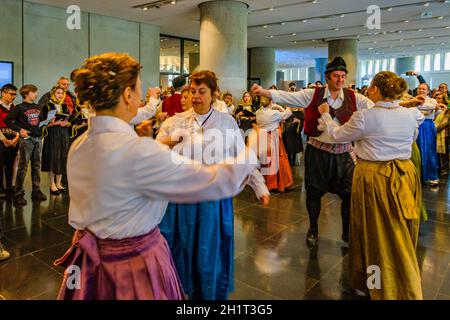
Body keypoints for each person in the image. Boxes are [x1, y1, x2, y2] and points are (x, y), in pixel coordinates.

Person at [54, 53, 261, 300]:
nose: (141, 98)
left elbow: (121, 180)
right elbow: (218, 181)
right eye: (140, 91)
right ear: (128, 96)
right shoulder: (138, 150)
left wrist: (155, 144)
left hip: (91, 263)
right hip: (131, 266)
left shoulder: (80, 143)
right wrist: (253, 150)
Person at [156, 70, 269, 300]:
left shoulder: (226, 122)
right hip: (180, 198)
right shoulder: (174, 121)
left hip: (213, 199)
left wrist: (260, 187)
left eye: (202, 91)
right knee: (180, 250)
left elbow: (241, 157)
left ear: (214, 94)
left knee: (209, 255)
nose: (196, 96)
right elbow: (155, 153)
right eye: (193, 91)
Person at [317, 71, 424, 300]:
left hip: (376, 178)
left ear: (375, 89)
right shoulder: (410, 114)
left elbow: (337, 135)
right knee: (401, 227)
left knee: (375, 233)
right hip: (405, 175)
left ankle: (383, 284)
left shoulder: (365, 116)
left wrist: (326, 115)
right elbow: (412, 137)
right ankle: (372, 280)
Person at [252, 56, 374, 247]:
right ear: (327, 78)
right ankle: (313, 229)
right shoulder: (313, 94)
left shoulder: (355, 97)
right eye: (336, 76)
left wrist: (404, 106)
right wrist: (264, 91)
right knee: (313, 193)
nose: (340, 80)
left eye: (343, 76)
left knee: (349, 194)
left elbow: (379, 108)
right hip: (318, 153)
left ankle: (347, 231)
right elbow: (289, 97)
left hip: (344, 154)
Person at [5, 84, 47, 205]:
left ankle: (36, 190)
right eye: (34, 92)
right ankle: (19, 193)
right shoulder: (19, 108)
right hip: (26, 140)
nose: (36, 94)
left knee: (36, 166)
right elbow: (7, 121)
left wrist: (48, 121)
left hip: (38, 138)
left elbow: (40, 121)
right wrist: (19, 130)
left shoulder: (38, 107)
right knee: (23, 167)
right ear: (27, 94)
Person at [251, 96, 293, 192]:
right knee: (277, 159)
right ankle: (276, 183)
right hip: (273, 137)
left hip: (263, 138)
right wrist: (282, 106)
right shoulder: (274, 113)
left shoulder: (258, 112)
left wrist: (272, 105)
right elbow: (288, 113)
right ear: (271, 102)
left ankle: (265, 182)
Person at [39, 85, 73, 195]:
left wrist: (67, 123)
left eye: (62, 93)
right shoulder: (47, 106)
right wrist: (55, 122)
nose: (60, 95)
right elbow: (42, 124)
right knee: (53, 158)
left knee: (62, 157)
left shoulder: (64, 106)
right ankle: (52, 183)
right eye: (58, 93)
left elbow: (68, 121)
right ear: (53, 94)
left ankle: (59, 183)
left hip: (63, 133)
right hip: (52, 135)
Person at [415, 83, 442, 188]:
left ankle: (430, 176)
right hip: (416, 125)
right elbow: (419, 106)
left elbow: (438, 111)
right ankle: (418, 176)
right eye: (419, 88)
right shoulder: (414, 99)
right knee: (417, 150)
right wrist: (431, 108)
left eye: (423, 89)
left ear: (427, 91)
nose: (421, 90)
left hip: (427, 125)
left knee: (429, 150)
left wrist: (432, 108)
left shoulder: (432, 100)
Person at [0, 84, 20, 195]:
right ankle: (0, 188)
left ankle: (9, 186)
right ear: (3, 93)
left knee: (10, 165)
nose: (13, 96)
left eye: (15, 94)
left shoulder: (15, 108)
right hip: (1, 140)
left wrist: (16, 137)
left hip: (13, 140)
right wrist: (4, 140)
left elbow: (18, 125)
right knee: (0, 165)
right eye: (11, 94)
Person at [433, 92, 450, 175]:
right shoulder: (434, 108)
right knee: (436, 153)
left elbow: (445, 122)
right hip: (434, 132)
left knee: (444, 153)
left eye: (439, 98)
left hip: (444, 133)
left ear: (444, 100)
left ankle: (444, 168)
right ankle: (437, 167)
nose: (437, 100)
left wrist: (434, 130)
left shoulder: (447, 110)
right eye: (436, 98)